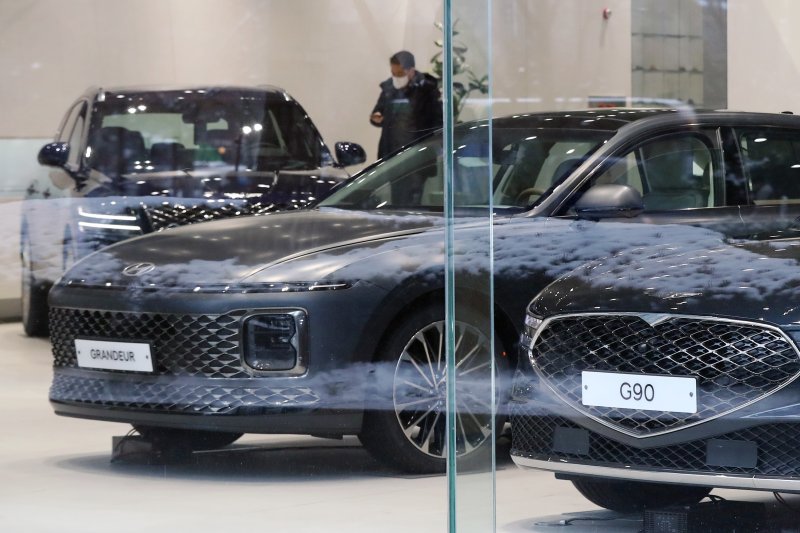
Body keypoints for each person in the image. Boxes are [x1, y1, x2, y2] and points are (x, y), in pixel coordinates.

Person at [370, 50, 443, 159]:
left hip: (418, 154)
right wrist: (376, 116)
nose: (396, 77)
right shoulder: (388, 89)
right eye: (393, 73)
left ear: (411, 70)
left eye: (400, 73)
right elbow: (379, 110)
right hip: (390, 152)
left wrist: (435, 146)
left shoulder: (427, 90)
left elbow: (437, 122)